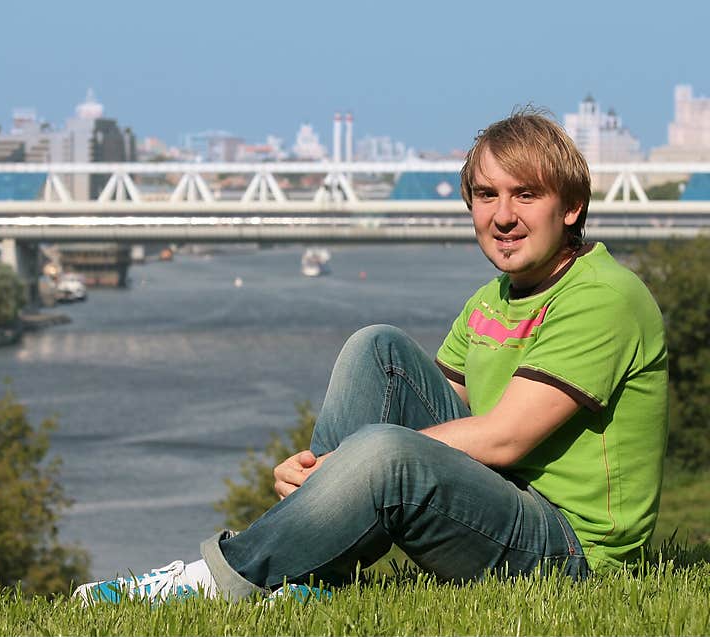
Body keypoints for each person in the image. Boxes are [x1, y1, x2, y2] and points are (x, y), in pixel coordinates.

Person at [73, 108, 669, 606]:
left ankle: (219, 578)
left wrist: (353, 465)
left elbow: (505, 439)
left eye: (526, 195)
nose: (502, 215)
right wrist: (329, 480)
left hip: (568, 552)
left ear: (571, 208)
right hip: (502, 500)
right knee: (377, 349)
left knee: (384, 451)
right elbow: (433, 414)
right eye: (486, 195)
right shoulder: (493, 300)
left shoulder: (603, 297)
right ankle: (313, 577)